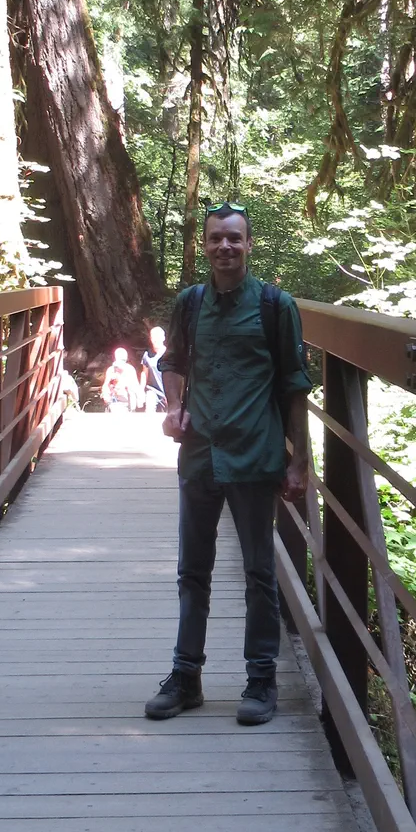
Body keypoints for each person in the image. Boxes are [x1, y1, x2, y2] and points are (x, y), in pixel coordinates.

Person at [144, 203, 311, 728]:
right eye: (216, 238)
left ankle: (261, 679)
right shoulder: (190, 302)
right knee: (192, 571)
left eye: (234, 238)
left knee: (259, 572)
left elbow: (295, 385)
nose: (225, 247)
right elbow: (173, 360)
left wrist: (300, 461)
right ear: (206, 245)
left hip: (255, 454)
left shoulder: (275, 305)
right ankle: (185, 676)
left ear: (248, 244)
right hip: (199, 453)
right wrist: (174, 406)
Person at [100, 346, 142, 412]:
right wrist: (106, 395)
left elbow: (136, 386)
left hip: (128, 403)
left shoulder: (130, 370)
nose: (118, 368)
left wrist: (140, 400)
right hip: (114, 402)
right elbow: (106, 385)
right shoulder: (111, 370)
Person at [139, 324, 167, 413]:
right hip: (152, 390)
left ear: (163, 338)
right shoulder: (147, 355)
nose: (155, 339)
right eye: (153, 337)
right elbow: (144, 374)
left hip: (167, 391)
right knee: (149, 411)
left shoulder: (169, 354)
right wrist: (141, 390)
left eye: (158, 336)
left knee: (168, 416)